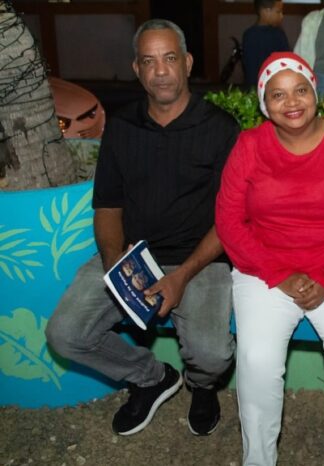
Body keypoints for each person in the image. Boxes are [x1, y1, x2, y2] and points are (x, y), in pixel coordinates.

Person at [45, 19, 238, 437]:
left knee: (213, 355)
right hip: (131, 256)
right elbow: (108, 206)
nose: (160, 71)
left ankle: (202, 385)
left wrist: (181, 276)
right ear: (137, 69)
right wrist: (118, 269)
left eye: (169, 58)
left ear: (187, 63)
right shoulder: (122, 126)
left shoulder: (221, 129)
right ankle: (152, 377)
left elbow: (229, 220)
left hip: (200, 261)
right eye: (149, 61)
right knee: (64, 333)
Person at [215, 51, 324, 466]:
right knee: (256, 360)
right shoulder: (249, 146)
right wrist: (280, 275)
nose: (292, 102)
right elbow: (229, 222)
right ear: (264, 104)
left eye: (300, 90)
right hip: (265, 270)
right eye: (278, 95)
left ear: (315, 93)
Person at [242, 0, 290, 88]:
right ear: (266, 11)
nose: (281, 16)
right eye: (278, 12)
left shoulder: (279, 33)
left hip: (276, 85)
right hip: (260, 86)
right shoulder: (250, 36)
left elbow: (286, 61)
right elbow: (250, 68)